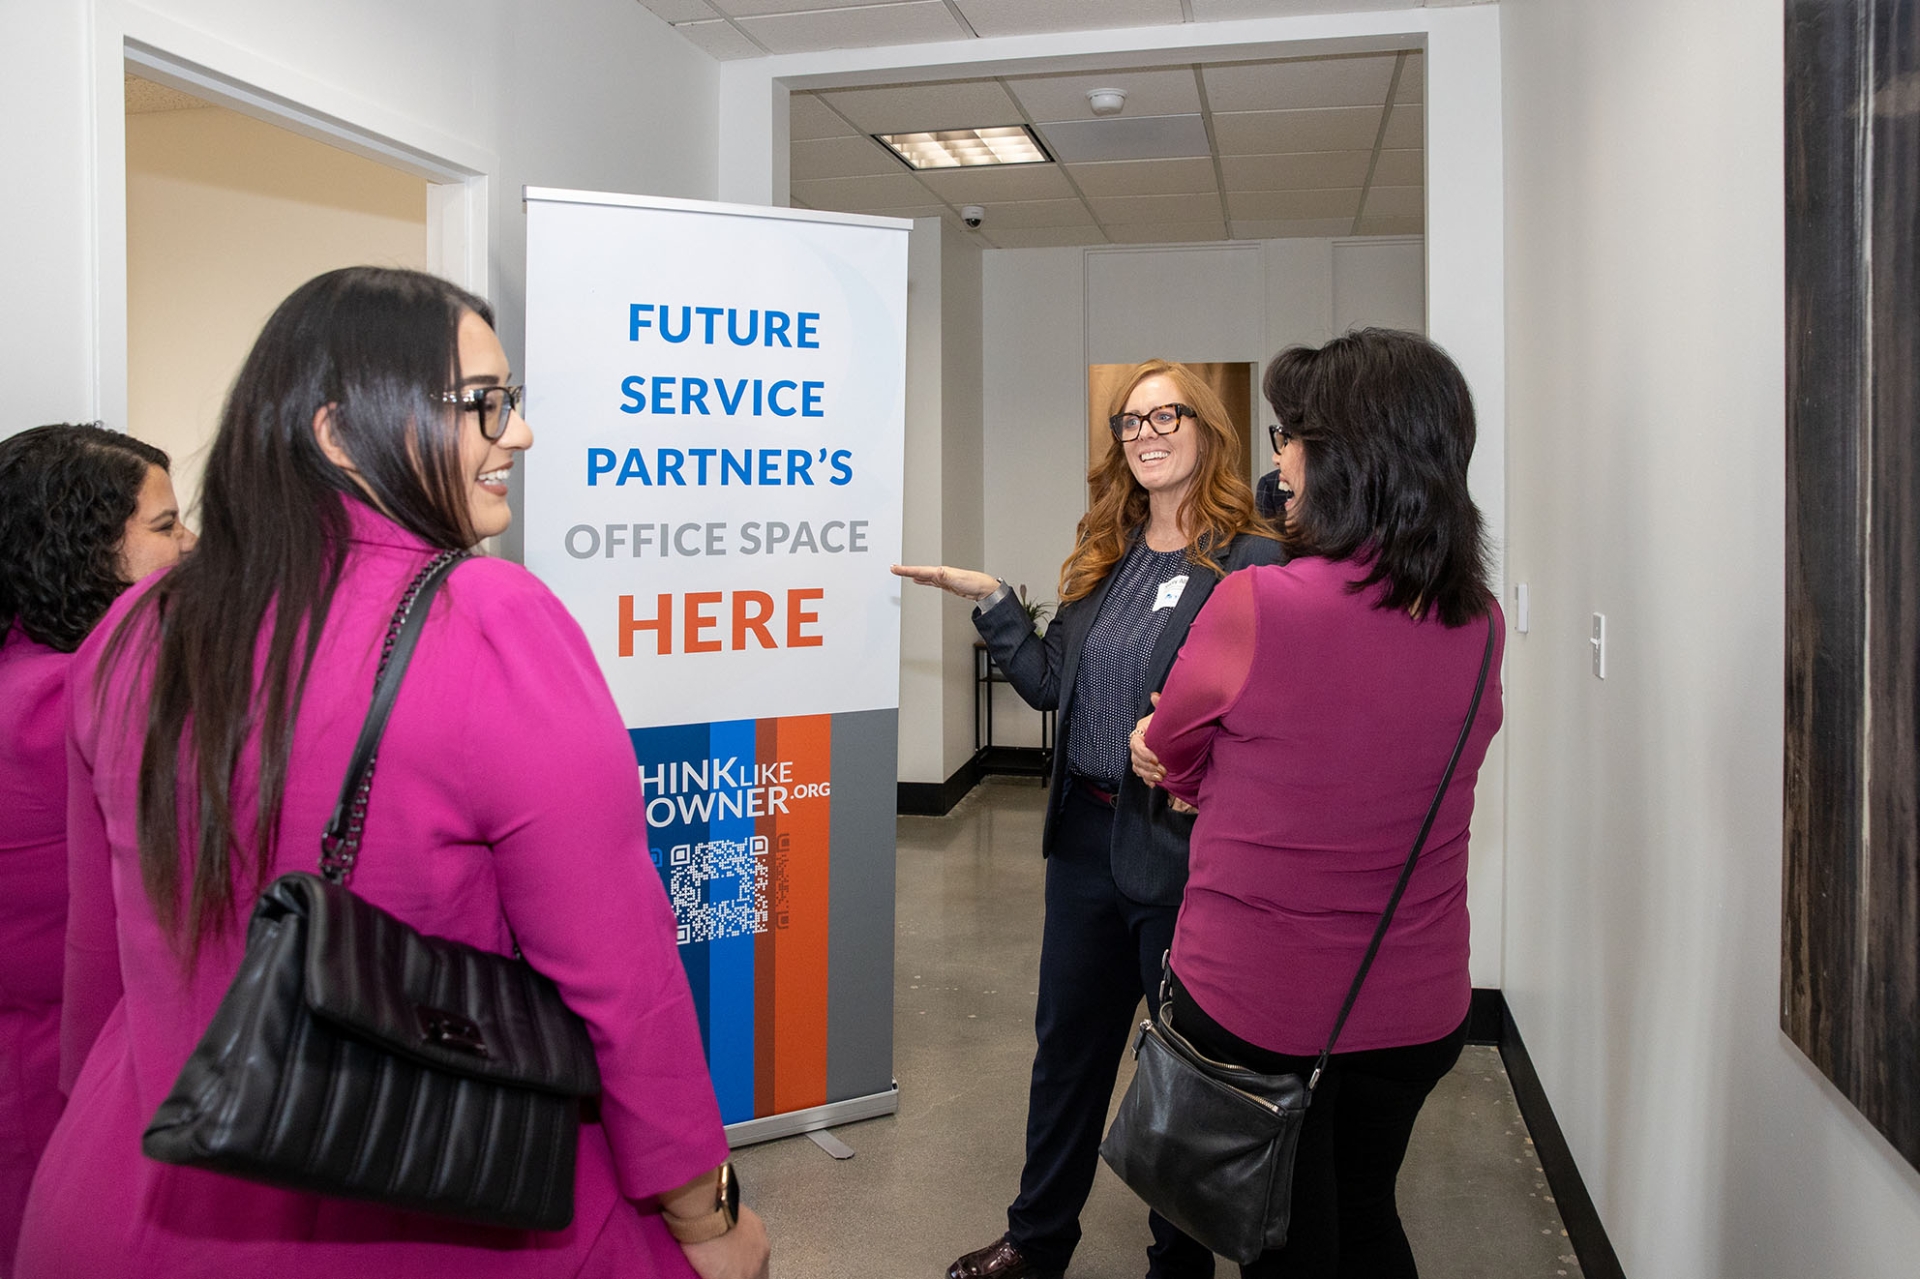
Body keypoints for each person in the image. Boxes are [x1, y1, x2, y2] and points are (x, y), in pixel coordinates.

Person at [15, 267, 769, 1279]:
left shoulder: (129, 630)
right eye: (484, 404)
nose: (520, 435)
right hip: (417, 1193)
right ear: (338, 433)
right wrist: (706, 1215)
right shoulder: (491, 620)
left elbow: (99, 952)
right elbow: (620, 979)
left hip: (134, 1182)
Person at [894, 360, 1282, 1279]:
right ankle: (1037, 1241)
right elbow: (1049, 687)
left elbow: (1273, 709)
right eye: (1128, 422)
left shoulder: (1251, 562)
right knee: (1066, 1053)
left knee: (1182, 1073)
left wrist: (1201, 758)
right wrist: (991, 600)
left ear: (1208, 428)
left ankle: (1176, 1263)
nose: (1144, 433)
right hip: (1083, 844)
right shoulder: (1107, 554)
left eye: (1165, 415)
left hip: (1184, 852)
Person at [1131, 328, 1504, 1279]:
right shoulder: (1480, 620)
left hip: (1262, 1008)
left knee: (1284, 1235)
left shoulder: (1261, 603)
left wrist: (1178, 769)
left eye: (1292, 438)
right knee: (1368, 1209)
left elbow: (1170, 750)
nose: (1278, 460)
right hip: (1418, 1005)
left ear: (1343, 460)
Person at [0, 423, 192, 1274]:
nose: (190, 546)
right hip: (53, 1068)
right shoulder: (70, 697)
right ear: (86, 544)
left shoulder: (24, 665)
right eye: (166, 525)